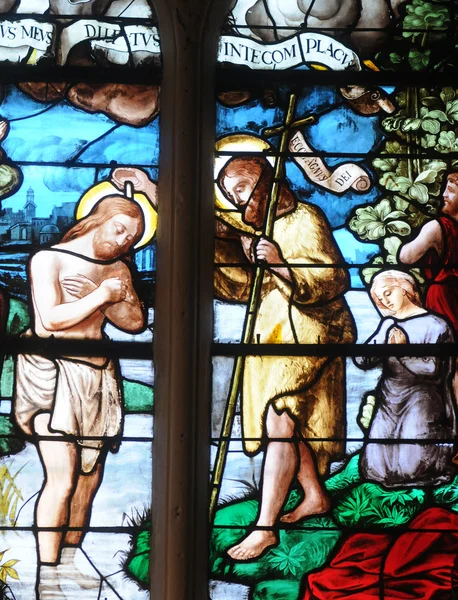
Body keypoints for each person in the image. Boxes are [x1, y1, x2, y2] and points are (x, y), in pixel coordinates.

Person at [13, 168, 157, 576]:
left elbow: (134, 324)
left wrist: (119, 293)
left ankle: (71, 559)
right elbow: (48, 323)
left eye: (131, 237)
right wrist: (99, 295)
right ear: (96, 219)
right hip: (53, 375)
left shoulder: (119, 269)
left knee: (88, 477)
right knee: (61, 475)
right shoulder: (48, 259)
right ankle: (47, 567)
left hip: (99, 379)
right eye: (118, 229)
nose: (123, 240)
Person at [215, 155, 356, 560]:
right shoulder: (260, 230)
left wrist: (277, 261)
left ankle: (265, 528)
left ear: (265, 186)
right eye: (230, 193)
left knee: (280, 417)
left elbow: (331, 279)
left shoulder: (306, 219)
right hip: (274, 332)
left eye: (241, 189)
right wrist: (242, 254)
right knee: (289, 421)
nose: (236, 199)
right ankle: (314, 496)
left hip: (311, 332)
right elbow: (245, 287)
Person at [354, 270, 456, 487]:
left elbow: (433, 371)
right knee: (375, 468)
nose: (385, 301)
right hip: (390, 398)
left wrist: (402, 351)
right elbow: (362, 361)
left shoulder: (436, 325)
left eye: (388, 293)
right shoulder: (387, 325)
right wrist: (381, 339)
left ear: (405, 288)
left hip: (422, 398)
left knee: (412, 467)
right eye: (379, 299)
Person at [399, 171, 458, 404]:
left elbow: (405, 257)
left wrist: (417, 230)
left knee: (447, 362)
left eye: (450, 191)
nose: (443, 195)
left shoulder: (437, 228)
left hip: (444, 298)